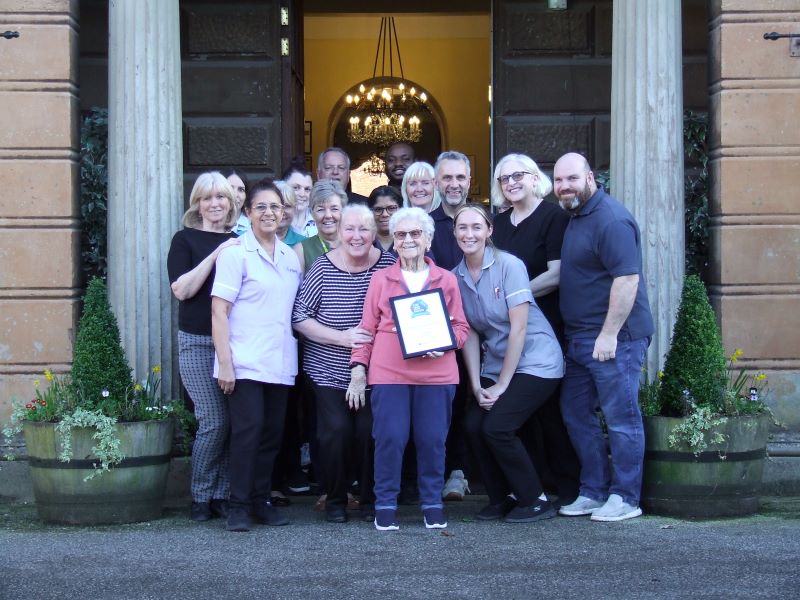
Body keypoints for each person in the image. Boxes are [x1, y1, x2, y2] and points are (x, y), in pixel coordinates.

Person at [350, 207, 470, 531]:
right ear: (395, 242)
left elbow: (461, 329)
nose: (408, 240)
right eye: (401, 235)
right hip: (389, 372)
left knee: (432, 439)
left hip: (437, 374)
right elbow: (366, 329)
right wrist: (358, 370)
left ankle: (432, 503)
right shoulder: (380, 279)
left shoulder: (446, 280)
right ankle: (385, 504)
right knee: (390, 437)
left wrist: (444, 342)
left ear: (428, 239)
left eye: (415, 233)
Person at [552, 152, 654, 522]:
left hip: (615, 341)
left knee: (621, 416)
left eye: (572, 179)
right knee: (576, 413)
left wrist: (609, 334)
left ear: (590, 177)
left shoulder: (611, 219)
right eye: (559, 181)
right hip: (580, 341)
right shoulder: (577, 217)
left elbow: (627, 280)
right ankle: (593, 491)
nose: (564, 186)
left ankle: (626, 498)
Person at [454, 204, 564, 523]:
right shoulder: (455, 276)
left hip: (536, 362)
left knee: (497, 427)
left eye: (477, 227)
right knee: (473, 426)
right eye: (462, 227)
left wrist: (501, 385)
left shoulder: (509, 265)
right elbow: (471, 333)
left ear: (490, 231)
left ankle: (536, 499)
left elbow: (518, 328)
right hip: (496, 364)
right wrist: (476, 385)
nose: (469, 233)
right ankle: (501, 498)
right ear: (454, 233)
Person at [292, 205, 395, 524]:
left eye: (364, 229)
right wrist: (343, 337)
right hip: (328, 370)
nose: (357, 236)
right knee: (335, 431)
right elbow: (299, 317)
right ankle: (335, 498)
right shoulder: (322, 268)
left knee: (369, 430)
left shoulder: (388, 265)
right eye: (349, 229)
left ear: (375, 233)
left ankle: (369, 499)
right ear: (338, 233)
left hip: (377, 370)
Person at [211, 179, 303, 532]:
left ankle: (261, 501)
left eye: (275, 207)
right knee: (247, 434)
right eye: (260, 206)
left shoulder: (290, 256)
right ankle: (238, 505)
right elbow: (219, 311)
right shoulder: (236, 254)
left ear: (284, 214)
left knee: (270, 436)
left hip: (280, 362)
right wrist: (225, 363)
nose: (269, 213)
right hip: (244, 362)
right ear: (247, 212)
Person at [491, 152, 580, 505]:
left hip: (546, 329)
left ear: (534, 178)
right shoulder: (498, 223)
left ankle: (570, 487)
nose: (511, 183)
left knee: (552, 413)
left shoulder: (553, 217)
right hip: (509, 331)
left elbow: (557, 274)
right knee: (521, 415)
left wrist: (514, 297)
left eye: (518, 176)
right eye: (504, 178)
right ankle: (533, 485)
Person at [167, 171, 240, 522]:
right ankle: (200, 495)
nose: (214, 204)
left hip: (235, 343)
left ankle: (221, 495)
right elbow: (182, 290)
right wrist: (216, 254)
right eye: (207, 198)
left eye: (221, 197)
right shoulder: (185, 240)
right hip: (197, 343)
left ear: (231, 203)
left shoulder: (242, 240)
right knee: (212, 420)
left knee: (231, 421)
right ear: (197, 203)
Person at [429, 151, 472, 502]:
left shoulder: (488, 223)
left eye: (460, 177)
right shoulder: (426, 226)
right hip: (439, 334)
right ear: (436, 182)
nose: (454, 184)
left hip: (487, 332)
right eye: (447, 178)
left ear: (469, 181)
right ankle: (451, 472)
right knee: (448, 406)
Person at [293, 181, 347, 272]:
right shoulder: (301, 250)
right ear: (311, 213)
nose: (328, 215)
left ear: (344, 211)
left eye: (334, 209)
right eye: (321, 209)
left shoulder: (354, 245)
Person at [282, 162, 316, 237]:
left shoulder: (319, 220)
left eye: (307, 189)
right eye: (296, 188)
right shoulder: (274, 220)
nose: (302, 194)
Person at [367, 186, 402, 252]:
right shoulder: (363, 242)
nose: (385, 214)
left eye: (391, 208)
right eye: (378, 209)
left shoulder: (409, 241)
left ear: (401, 209)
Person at [275, 180, 308, 246]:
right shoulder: (251, 240)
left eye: (287, 206)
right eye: (276, 206)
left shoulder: (305, 243)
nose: (282, 212)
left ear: (295, 209)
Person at [221, 168, 250, 236]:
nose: (235, 195)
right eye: (230, 188)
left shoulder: (254, 227)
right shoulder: (205, 226)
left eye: (241, 189)